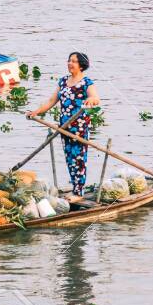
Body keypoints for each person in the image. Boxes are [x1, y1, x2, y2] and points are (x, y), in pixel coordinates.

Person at [29, 52, 100, 199]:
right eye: (69, 60)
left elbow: (95, 97)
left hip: (79, 127)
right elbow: (51, 101)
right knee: (69, 158)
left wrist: (91, 100)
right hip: (64, 126)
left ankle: (79, 193)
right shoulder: (63, 81)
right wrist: (36, 112)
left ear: (81, 65)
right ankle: (75, 188)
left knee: (79, 158)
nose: (70, 63)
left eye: (74, 61)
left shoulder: (87, 82)